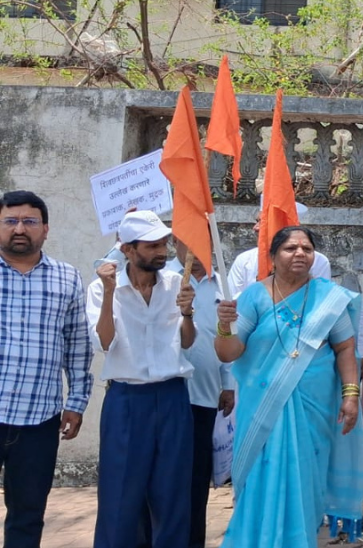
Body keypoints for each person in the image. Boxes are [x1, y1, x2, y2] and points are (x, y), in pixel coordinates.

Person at [213, 227, 363, 547]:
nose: (299, 254)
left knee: (305, 481)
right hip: (261, 408)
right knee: (260, 477)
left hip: (314, 408)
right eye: (290, 248)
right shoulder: (254, 296)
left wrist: (351, 395)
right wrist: (224, 326)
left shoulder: (329, 298)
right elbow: (229, 353)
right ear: (272, 256)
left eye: (306, 248)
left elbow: (346, 349)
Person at [86, 210, 196, 548]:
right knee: (120, 494)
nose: (162, 251)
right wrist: (109, 293)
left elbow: (187, 342)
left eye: (163, 243)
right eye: (152, 245)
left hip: (173, 397)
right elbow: (105, 343)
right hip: (126, 400)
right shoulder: (101, 288)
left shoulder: (177, 283)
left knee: (173, 493)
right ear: (128, 249)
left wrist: (188, 313)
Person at [0, 191, 93, 548]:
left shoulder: (66, 277)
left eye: (29, 221)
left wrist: (77, 402)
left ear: (45, 229)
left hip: (39, 419)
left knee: (28, 513)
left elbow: (77, 343)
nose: (19, 229)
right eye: (10, 221)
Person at [167, 242, 236, 548]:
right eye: (187, 244)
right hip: (168, 394)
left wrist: (228, 383)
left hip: (207, 395)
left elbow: (227, 333)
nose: (193, 252)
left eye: (201, 243)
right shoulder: (164, 279)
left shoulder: (222, 283)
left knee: (197, 479)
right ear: (175, 243)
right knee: (166, 477)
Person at [226, 201, 332, 297]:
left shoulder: (319, 261)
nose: (256, 227)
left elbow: (321, 300)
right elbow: (233, 300)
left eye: (263, 222)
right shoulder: (244, 260)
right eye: (257, 221)